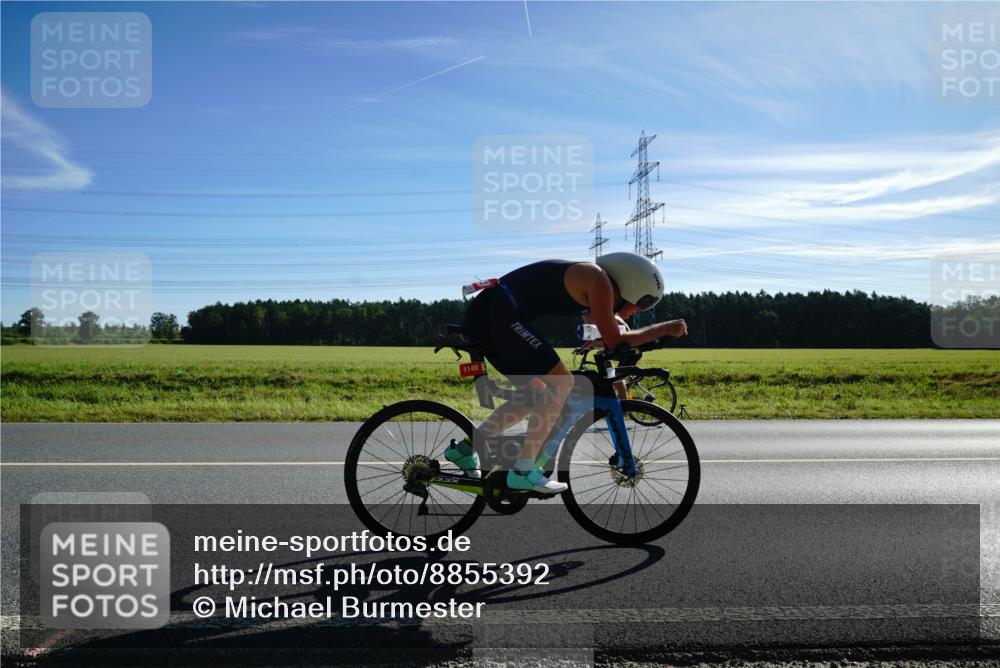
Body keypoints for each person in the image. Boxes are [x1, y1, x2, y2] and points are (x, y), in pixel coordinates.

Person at [445, 253, 688, 494]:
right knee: (562, 384)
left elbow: (601, 330)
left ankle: (465, 450)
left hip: (490, 313)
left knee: (537, 395)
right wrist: (665, 328)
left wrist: (603, 341)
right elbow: (615, 339)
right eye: (644, 304)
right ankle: (523, 472)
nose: (638, 312)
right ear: (632, 286)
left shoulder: (594, 280)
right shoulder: (599, 280)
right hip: (499, 314)